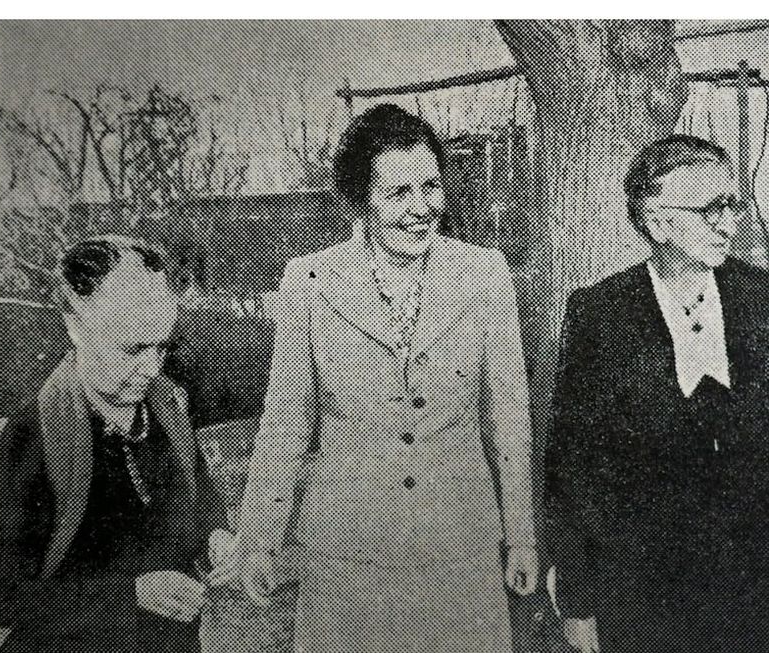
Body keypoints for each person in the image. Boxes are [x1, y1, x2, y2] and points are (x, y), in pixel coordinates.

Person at [209, 103, 538, 652]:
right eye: (398, 194)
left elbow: (508, 416)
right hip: (348, 543)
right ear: (361, 201)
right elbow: (285, 425)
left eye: (430, 187)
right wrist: (259, 536)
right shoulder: (312, 278)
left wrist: (521, 534)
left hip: (459, 537)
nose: (422, 208)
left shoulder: (484, 273)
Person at [546, 134, 769, 652]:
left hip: (768, 594)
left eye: (732, 204)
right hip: (651, 602)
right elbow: (574, 470)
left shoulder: (763, 296)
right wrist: (579, 604)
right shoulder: (600, 316)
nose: (728, 222)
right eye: (710, 208)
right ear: (657, 221)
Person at [0, 236, 226, 653]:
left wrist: (217, 538)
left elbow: (198, 501)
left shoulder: (167, 405)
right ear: (75, 325)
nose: (152, 368)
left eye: (162, 347)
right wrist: (130, 595)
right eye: (133, 349)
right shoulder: (35, 434)